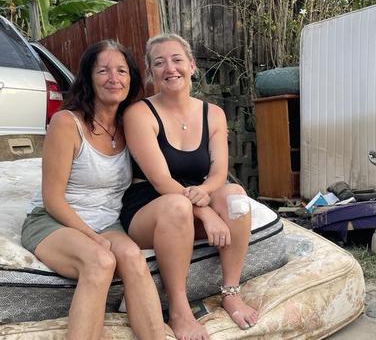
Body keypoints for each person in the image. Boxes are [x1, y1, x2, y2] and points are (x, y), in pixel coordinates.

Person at [21, 40, 166, 340]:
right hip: (54, 221)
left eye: (122, 71)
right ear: (88, 78)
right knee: (100, 261)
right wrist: (94, 239)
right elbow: (52, 199)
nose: (114, 78)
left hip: (107, 222)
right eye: (103, 70)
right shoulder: (66, 123)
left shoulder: (131, 126)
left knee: (133, 258)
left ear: (131, 79)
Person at [119, 33, 258, 340]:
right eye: (159, 62)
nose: (170, 68)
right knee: (179, 205)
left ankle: (230, 291)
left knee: (236, 197)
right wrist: (206, 214)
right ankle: (180, 309)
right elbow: (161, 180)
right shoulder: (138, 113)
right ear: (151, 72)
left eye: (177, 59)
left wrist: (207, 194)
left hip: (195, 197)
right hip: (151, 207)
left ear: (192, 65)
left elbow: (219, 172)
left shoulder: (214, 114)